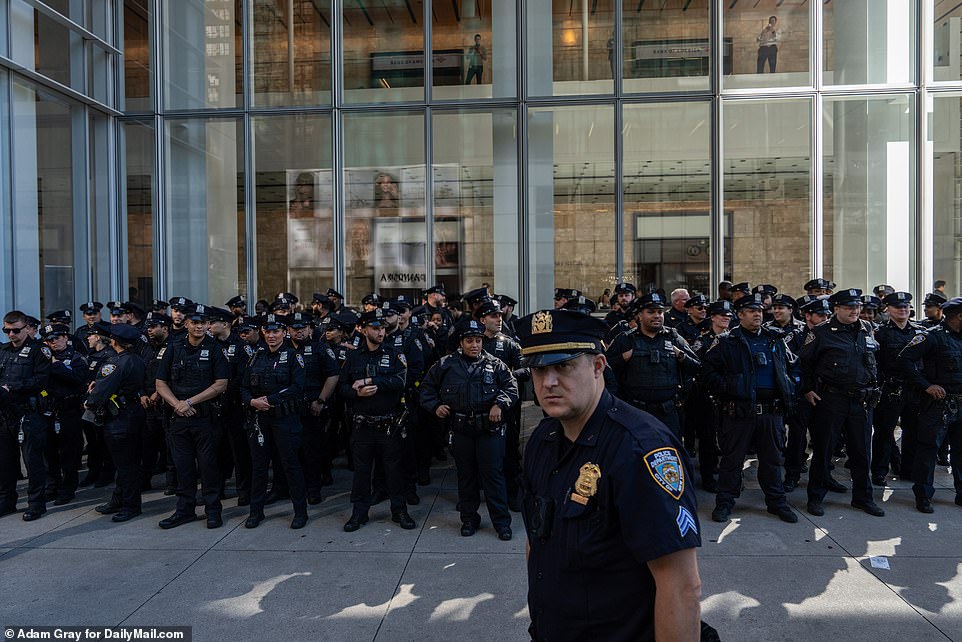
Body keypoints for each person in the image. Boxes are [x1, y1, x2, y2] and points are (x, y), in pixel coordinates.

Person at [516, 308, 702, 640]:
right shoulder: (542, 441)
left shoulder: (640, 449)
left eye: (564, 366)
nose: (549, 382)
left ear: (599, 366)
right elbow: (537, 539)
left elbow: (681, 586)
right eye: (538, 370)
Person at [702, 293, 798, 523]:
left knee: (772, 460)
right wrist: (732, 386)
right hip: (739, 412)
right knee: (731, 461)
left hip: (771, 412)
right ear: (740, 315)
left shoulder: (775, 338)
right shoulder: (727, 341)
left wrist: (792, 383)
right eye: (751, 311)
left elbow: (793, 364)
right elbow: (707, 374)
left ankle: (776, 502)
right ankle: (725, 502)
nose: (758, 314)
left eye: (759, 311)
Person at [420, 318, 518, 539]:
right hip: (462, 429)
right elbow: (426, 388)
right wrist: (435, 406)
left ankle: (501, 523)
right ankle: (469, 519)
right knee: (466, 477)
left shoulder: (495, 364)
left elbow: (511, 388)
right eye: (469, 341)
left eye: (478, 341)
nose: (475, 345)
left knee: (493, 477)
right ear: (461, 343)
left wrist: (499, 403)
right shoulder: (445, 364)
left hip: (489, 431)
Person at [800, 288, 885, 517]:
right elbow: (804, 363)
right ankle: (816, 497)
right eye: (849, 307)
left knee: (861, 452)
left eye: (857, 307)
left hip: (861, 400)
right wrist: (807, 389)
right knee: (824, 450)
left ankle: (862, 498)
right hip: (832, 399)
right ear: (835, 308)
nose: (855, 311)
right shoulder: (822, 332)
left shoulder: (867, 329)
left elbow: (873, 361)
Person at [339, 308, 415, 532]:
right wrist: (356, 394)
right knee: (362, 472)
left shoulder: (393, 354)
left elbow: (400, 381)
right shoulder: (353, 357)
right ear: (363, 330)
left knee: (394, 471)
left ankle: (399, 510)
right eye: (375, 328)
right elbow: (343, 387)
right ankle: (359, 513)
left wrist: (372, 380)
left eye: (382, 328)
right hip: (363, 424)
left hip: (389, 424)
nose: (380, 332)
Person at [154, 304, 229, 529]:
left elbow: (221, 384)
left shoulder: (215, 349)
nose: (199, 326)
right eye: (195, 322)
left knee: (208, 467)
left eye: (203, 323)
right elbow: (160, 383)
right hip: (178, 417)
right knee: (183, 467)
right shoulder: (173, 348)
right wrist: (177, 404)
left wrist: (189, 402)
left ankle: (213, 510)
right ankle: (184, 510)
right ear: (186, 324)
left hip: (204, 418)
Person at [241, 313, 309, 529]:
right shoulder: (255, 356)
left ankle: (300, 512)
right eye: (268, 331)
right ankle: (256, 511)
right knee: (259, 466)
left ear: (284, 332)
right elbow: (242, 386)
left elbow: (298, 387)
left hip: (285, 419)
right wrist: (252, 401)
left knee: (291, 466)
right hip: (260, 420)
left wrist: (269, 400)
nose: (271, 335)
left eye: (276, 331)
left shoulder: (292, 356)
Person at [896, 297, 962, 513]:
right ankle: (923, 495)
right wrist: (926, 386)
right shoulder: (932, 336)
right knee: (928, 449)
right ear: (959, 316)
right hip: (938, 403)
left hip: (960, 401)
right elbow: (904, 360)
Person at [605, 292, 700, 438]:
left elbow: (697, 368)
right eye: (651, 312)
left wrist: (680, 355)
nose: (657, 316)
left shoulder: (674, 337)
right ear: (640, 315)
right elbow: (604, 370)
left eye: (660, 312)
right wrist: (624, 357)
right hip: (635, 411)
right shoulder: (625, 339)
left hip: (668, 413)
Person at [86, 323, 147, 523]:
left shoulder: (114, 363)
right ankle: (119, 499)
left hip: (119, 418)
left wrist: (91, 396)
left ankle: (130, 505)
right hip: (133, 414)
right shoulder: (136, 359)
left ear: (114, 341)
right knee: (129, 462)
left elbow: (98, 395)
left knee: (125, 465)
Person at [0, 311, 51, 520]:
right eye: (7, 330)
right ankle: (7, 501)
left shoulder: (39, 351)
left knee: (32, 461)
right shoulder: (3, 351)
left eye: (15, 330)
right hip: (4, 414)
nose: (11, 334)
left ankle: (36, 503)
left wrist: (11, 388)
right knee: (5, 461)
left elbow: (41, 381)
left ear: (26, 327)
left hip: (28, 413)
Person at [870, 292, 923, 487]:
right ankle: (879, 471)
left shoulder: (919, 332)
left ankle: (907, 469)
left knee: (913, 432)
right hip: (890, 388)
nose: (903, 310)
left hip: (914, 389)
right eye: (898, 307)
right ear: (888, 310)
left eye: (905, 307)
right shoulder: (881, 333)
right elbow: (875, 362)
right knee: (884, 432)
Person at [40, 323, 88, 506]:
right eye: (49, 340)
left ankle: (67, 489)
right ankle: (52, 487)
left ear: (66, 338)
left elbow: (78, 379)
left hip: (69, 410)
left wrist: (56, 365)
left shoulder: (76, 358)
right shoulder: (42, 358)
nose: (53, 343)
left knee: (69, 453)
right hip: (48, 410)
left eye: (57, 338)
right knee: (49, 452)